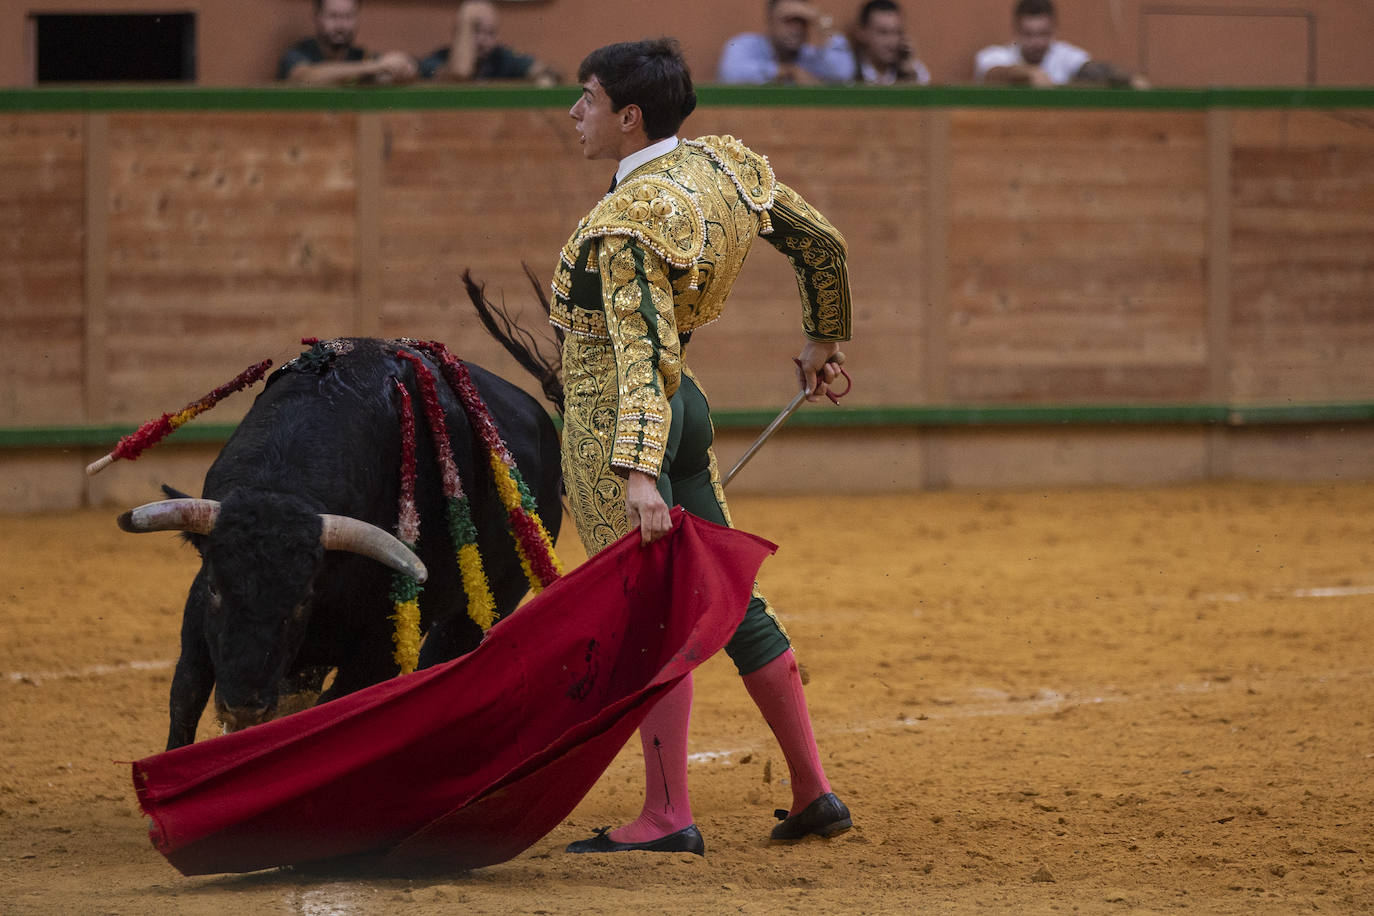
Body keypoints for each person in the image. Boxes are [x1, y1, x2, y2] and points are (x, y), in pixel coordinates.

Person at [553, 38, 854, 854]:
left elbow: (636, 353)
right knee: (732, 593)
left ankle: (664, 815)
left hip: (621, 424)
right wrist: (823, 339)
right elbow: (822, 245)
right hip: (687, 407)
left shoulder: (627, 220)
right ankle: (812, 789)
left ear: (627, 116)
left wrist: (637, 474)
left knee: (650, 615)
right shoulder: (723, 168)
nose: (573, 113)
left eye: (585, 99)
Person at [277, 0, 417, 86]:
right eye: (333, 16)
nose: (341, 25)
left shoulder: (361, 56)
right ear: (317, 17)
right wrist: (375, 67)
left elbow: (395, 70)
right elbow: (305, 79)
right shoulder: (297, 53)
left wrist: (401, 67)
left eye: (348, 16)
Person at [418, 0, 558, 86]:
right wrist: (467, 19)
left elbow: (547, 70)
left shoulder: (503, 58)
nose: (482, 40)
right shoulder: (439, 59)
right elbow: (459, 73)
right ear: (458, 33)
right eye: (475, 31)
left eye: (490, 33)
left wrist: (545, 75)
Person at [718, 0, 853, 85]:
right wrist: (788, 72)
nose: (796, 29)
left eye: (802, 22)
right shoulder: (745, 45)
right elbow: (731, 74)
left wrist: (821, 23)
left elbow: (844, 74)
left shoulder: (810, 56)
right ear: (770, 21)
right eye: (788, 21)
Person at [974, 0, 1090, 86]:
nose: (1037, 42)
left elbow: (1087, 69)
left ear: (1055, 31)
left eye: (1043, 34)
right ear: (1016, 32)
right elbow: (992, 73)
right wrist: (1028, 74)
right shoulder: (995, 55)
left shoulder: (1069, 55)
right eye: (1028, 34)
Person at [848, 0, 930, 85]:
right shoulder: (847, 69)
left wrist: (908, 74)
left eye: (897, 32)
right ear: (861, 32)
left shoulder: (913, 69)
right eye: (883, 32)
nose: (892, 41)